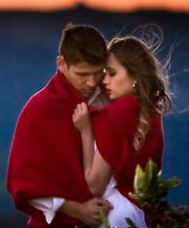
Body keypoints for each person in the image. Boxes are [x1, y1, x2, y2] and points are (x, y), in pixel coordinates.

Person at [6, 23, 114, 226]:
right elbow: (24, 185)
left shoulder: (114, 95)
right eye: (82, 74)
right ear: (62, 64)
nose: (92, 82)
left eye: (97, 72)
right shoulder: (40, 109)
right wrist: (76, 210)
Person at [71, 28, 172, 228]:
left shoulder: (118, 114)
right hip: (141, 214)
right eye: (103, 74)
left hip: (115, 215)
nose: (105, 81)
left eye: (112, 74)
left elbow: (93, 187)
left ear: (134, 76)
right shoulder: (149, 110)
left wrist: (85, 131)